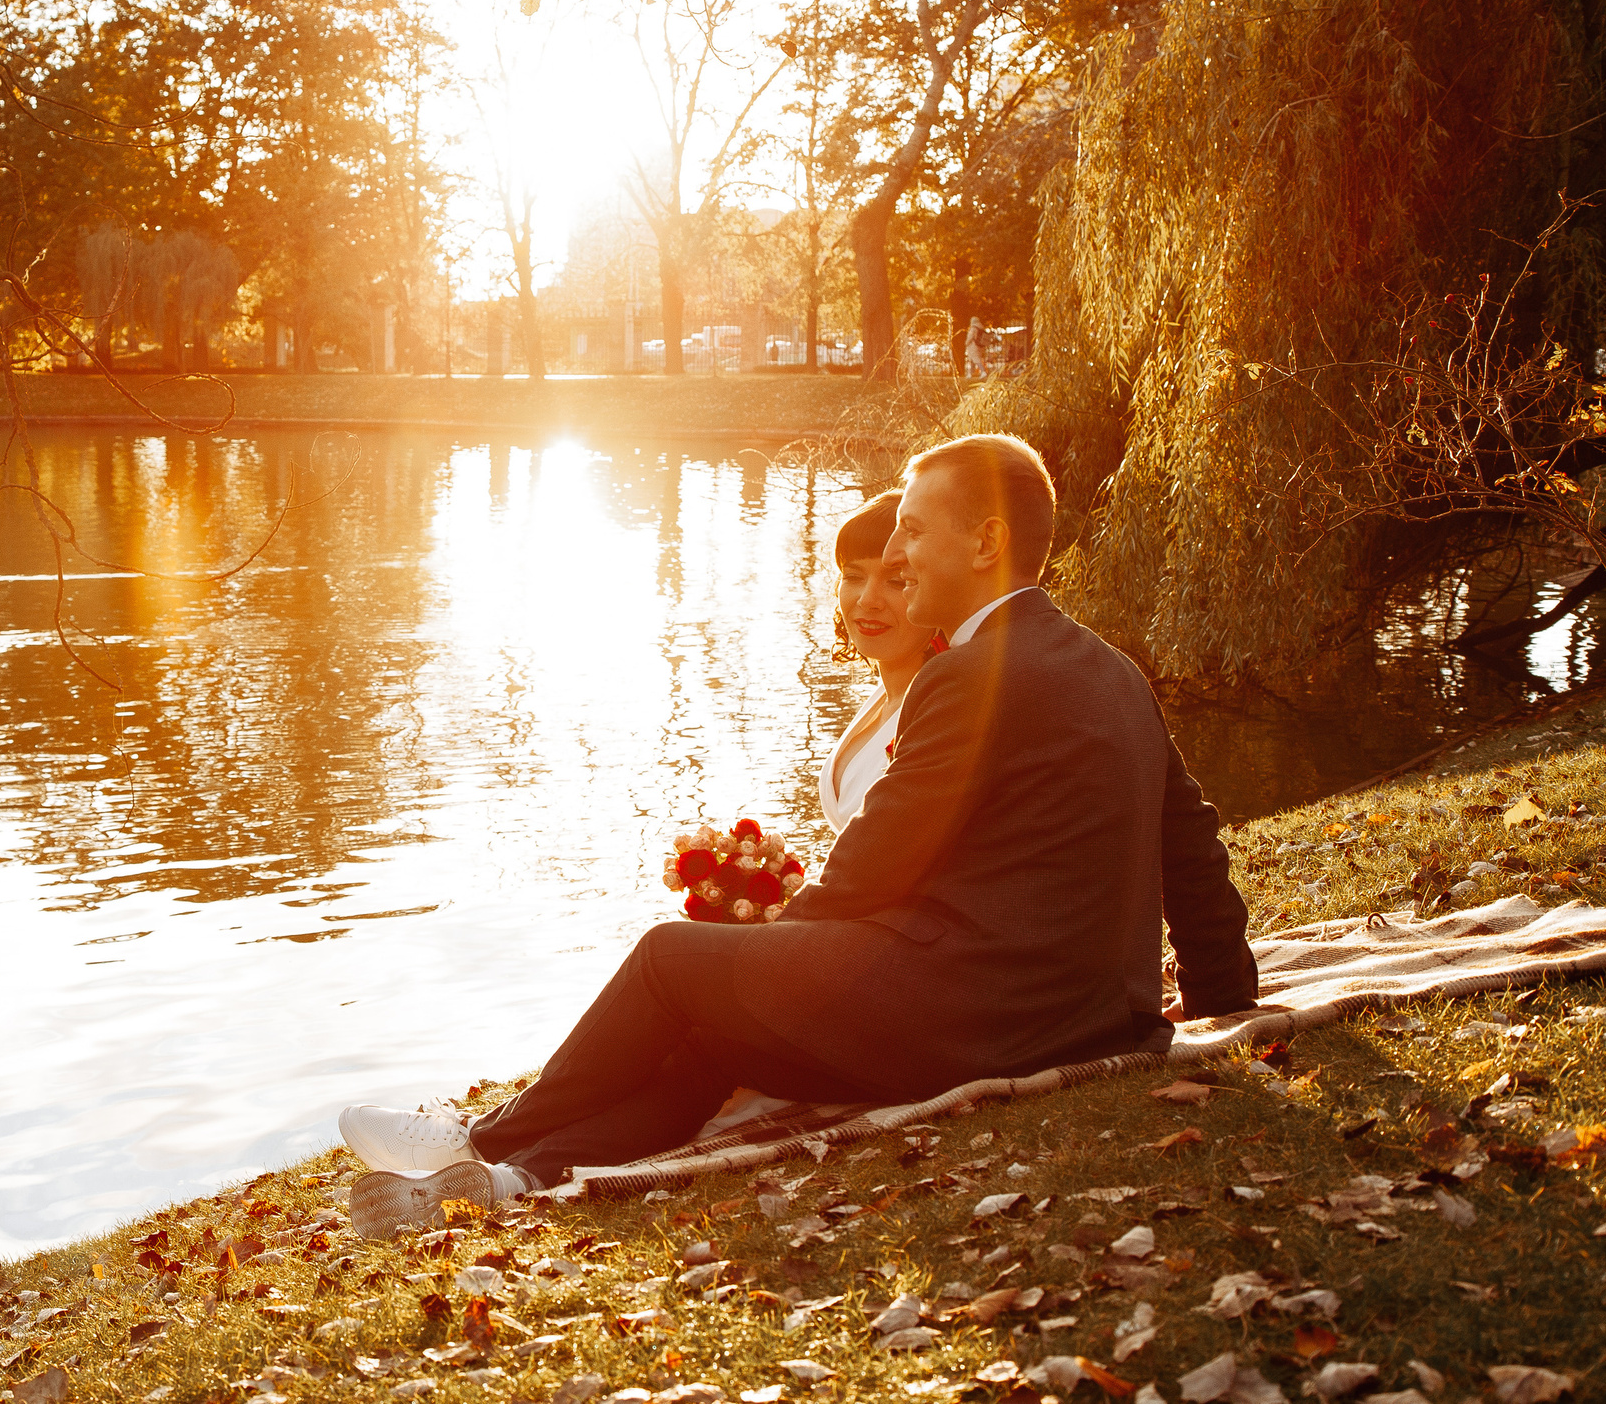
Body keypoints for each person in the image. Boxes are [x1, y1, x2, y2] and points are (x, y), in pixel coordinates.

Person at [334, 433, 1258, 1235]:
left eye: (916, 531)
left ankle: (474, 1138)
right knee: (713, 1036)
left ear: (987, 542)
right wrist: (1229, 998)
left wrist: (777, 950)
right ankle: (511, 1179)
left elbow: (877, 858)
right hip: (1085, 1016)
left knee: (671, 958)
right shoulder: (1115, 670)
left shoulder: (970, 673)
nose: (900, 549)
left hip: (981, 1013)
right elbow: (1193, 848)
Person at [820, 489, 934, 835]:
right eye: (853, 576)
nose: (867, 600)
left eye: (896, 581)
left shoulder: (941, 714)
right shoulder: (884, 694)